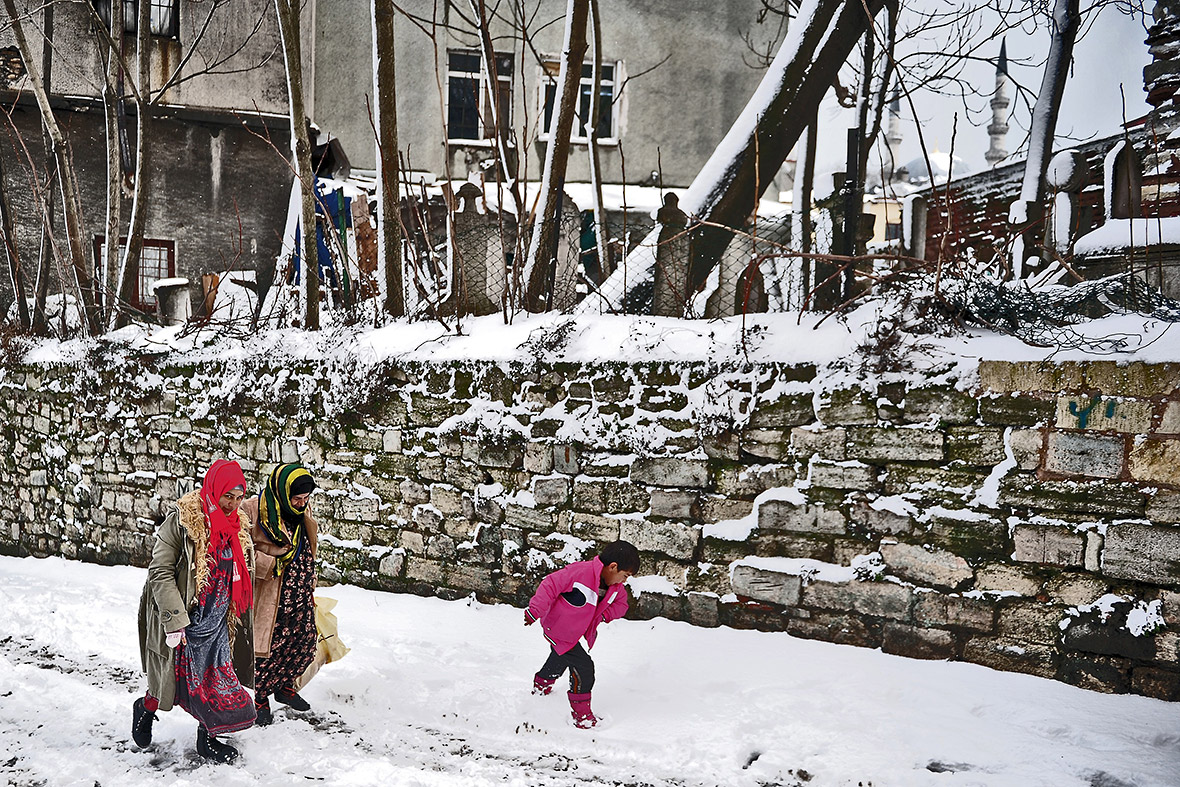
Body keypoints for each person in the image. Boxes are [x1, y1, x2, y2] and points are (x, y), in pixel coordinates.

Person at [132, 459, 257, 763]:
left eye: (240, 498)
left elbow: (241, 571)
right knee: (172, 687)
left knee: (216, 685)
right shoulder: (183, 521)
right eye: (228, 496)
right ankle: (145, 709)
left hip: (218, 622)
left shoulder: (237, 526)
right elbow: (160, 571)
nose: (233, 504)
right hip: (187, 621)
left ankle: (208, 740)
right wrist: (175, 621)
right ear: (214, 489)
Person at [524, 540, 639, 728]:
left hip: (572, 631)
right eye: (624, 575)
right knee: (584, 668)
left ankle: (542, 684)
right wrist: (535, 610)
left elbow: (621, 606)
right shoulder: (580, 573)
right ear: (613, 567)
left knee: (561, 654)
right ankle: (582, 716)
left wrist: (600, 616)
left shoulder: (615, 589)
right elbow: (550, 585)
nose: (624, 581)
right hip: (558, 626)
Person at [241, 462, 319, 726]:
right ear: (282, 491)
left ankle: (285, 688)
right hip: (272, 595)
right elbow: (241, 548)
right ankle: (261, 698)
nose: (301, 503)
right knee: (268, 649)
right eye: (296, 498)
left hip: (300, 591)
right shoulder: (252, 510)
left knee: (303, 642)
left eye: (305, 498)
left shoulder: (300, 510)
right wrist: (270, 564)